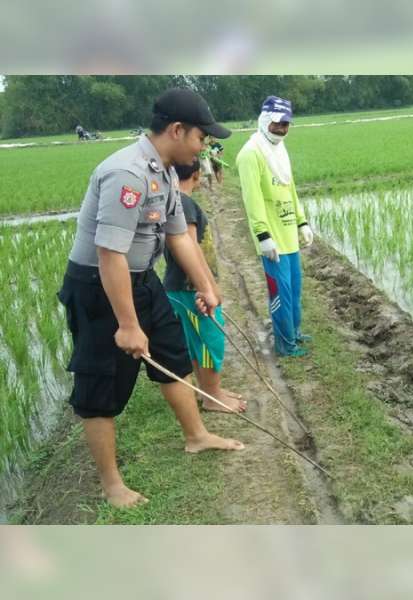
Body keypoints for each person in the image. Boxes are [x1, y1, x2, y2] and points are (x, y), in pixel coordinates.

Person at [57, 87, 244, 509]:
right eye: (201, 137)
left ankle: (197, 436)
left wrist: (206, 287)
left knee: (173, 354)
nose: (203, 146)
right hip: (99, 287)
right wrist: (127, 324)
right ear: (177, 130)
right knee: (100, 384)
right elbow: (109, 254)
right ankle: (112, 486)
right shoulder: (127, 174)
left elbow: (178, 236)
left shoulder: (165, 173)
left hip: (142, 279)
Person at [163, 158, 246, 413]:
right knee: (211, 340)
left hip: (182, 288)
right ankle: (212, 397)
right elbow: (190, 246)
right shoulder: (185, 203)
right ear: (197, 175)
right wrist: (209, 286)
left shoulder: (174, 201)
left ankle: (209, 391)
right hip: (191, 290)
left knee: (197, 341)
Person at [236, 95, 314, 357]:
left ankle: (295, 332)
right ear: (265, 120)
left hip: (289, 234)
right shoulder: (251, 154)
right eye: (277, 123)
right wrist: (263, 236)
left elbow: (290, 188)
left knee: (294, 290)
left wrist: (302, 222)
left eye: (286, 124)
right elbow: (252, 199)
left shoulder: (279, 149)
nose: (281, 129)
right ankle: (285, 345)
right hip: (272, 240)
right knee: (280, 293)